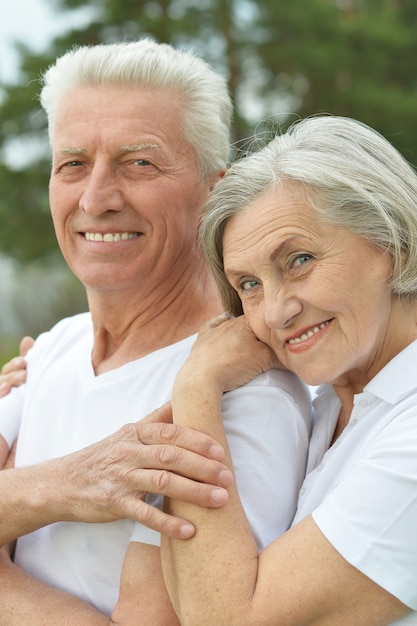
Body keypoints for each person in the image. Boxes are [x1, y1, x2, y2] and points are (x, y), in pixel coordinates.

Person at [0, 40, 312, 623]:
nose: (96, 198)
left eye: (139, 162)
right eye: (72, 164)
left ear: (214, 190)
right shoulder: (52, 349)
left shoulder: (242, 390)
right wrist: (67, 484)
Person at [161, 115, 417, 625]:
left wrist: (196, 388)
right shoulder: (327, 407)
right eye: (249, 285)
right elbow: (187, 593)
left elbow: (226, 619)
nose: (275, 312)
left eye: (298, 260)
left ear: (393, 243)